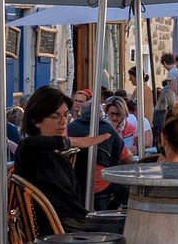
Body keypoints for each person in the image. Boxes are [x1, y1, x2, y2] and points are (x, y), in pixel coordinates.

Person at [13, 85, 112, 224]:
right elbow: (29, 143)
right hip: (60, 234)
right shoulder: (29, 152)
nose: (63, 122)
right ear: (36, 121)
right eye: (55, 116)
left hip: (76, 226)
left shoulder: (58, 157)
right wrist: (74, 141)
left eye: (65, 115)